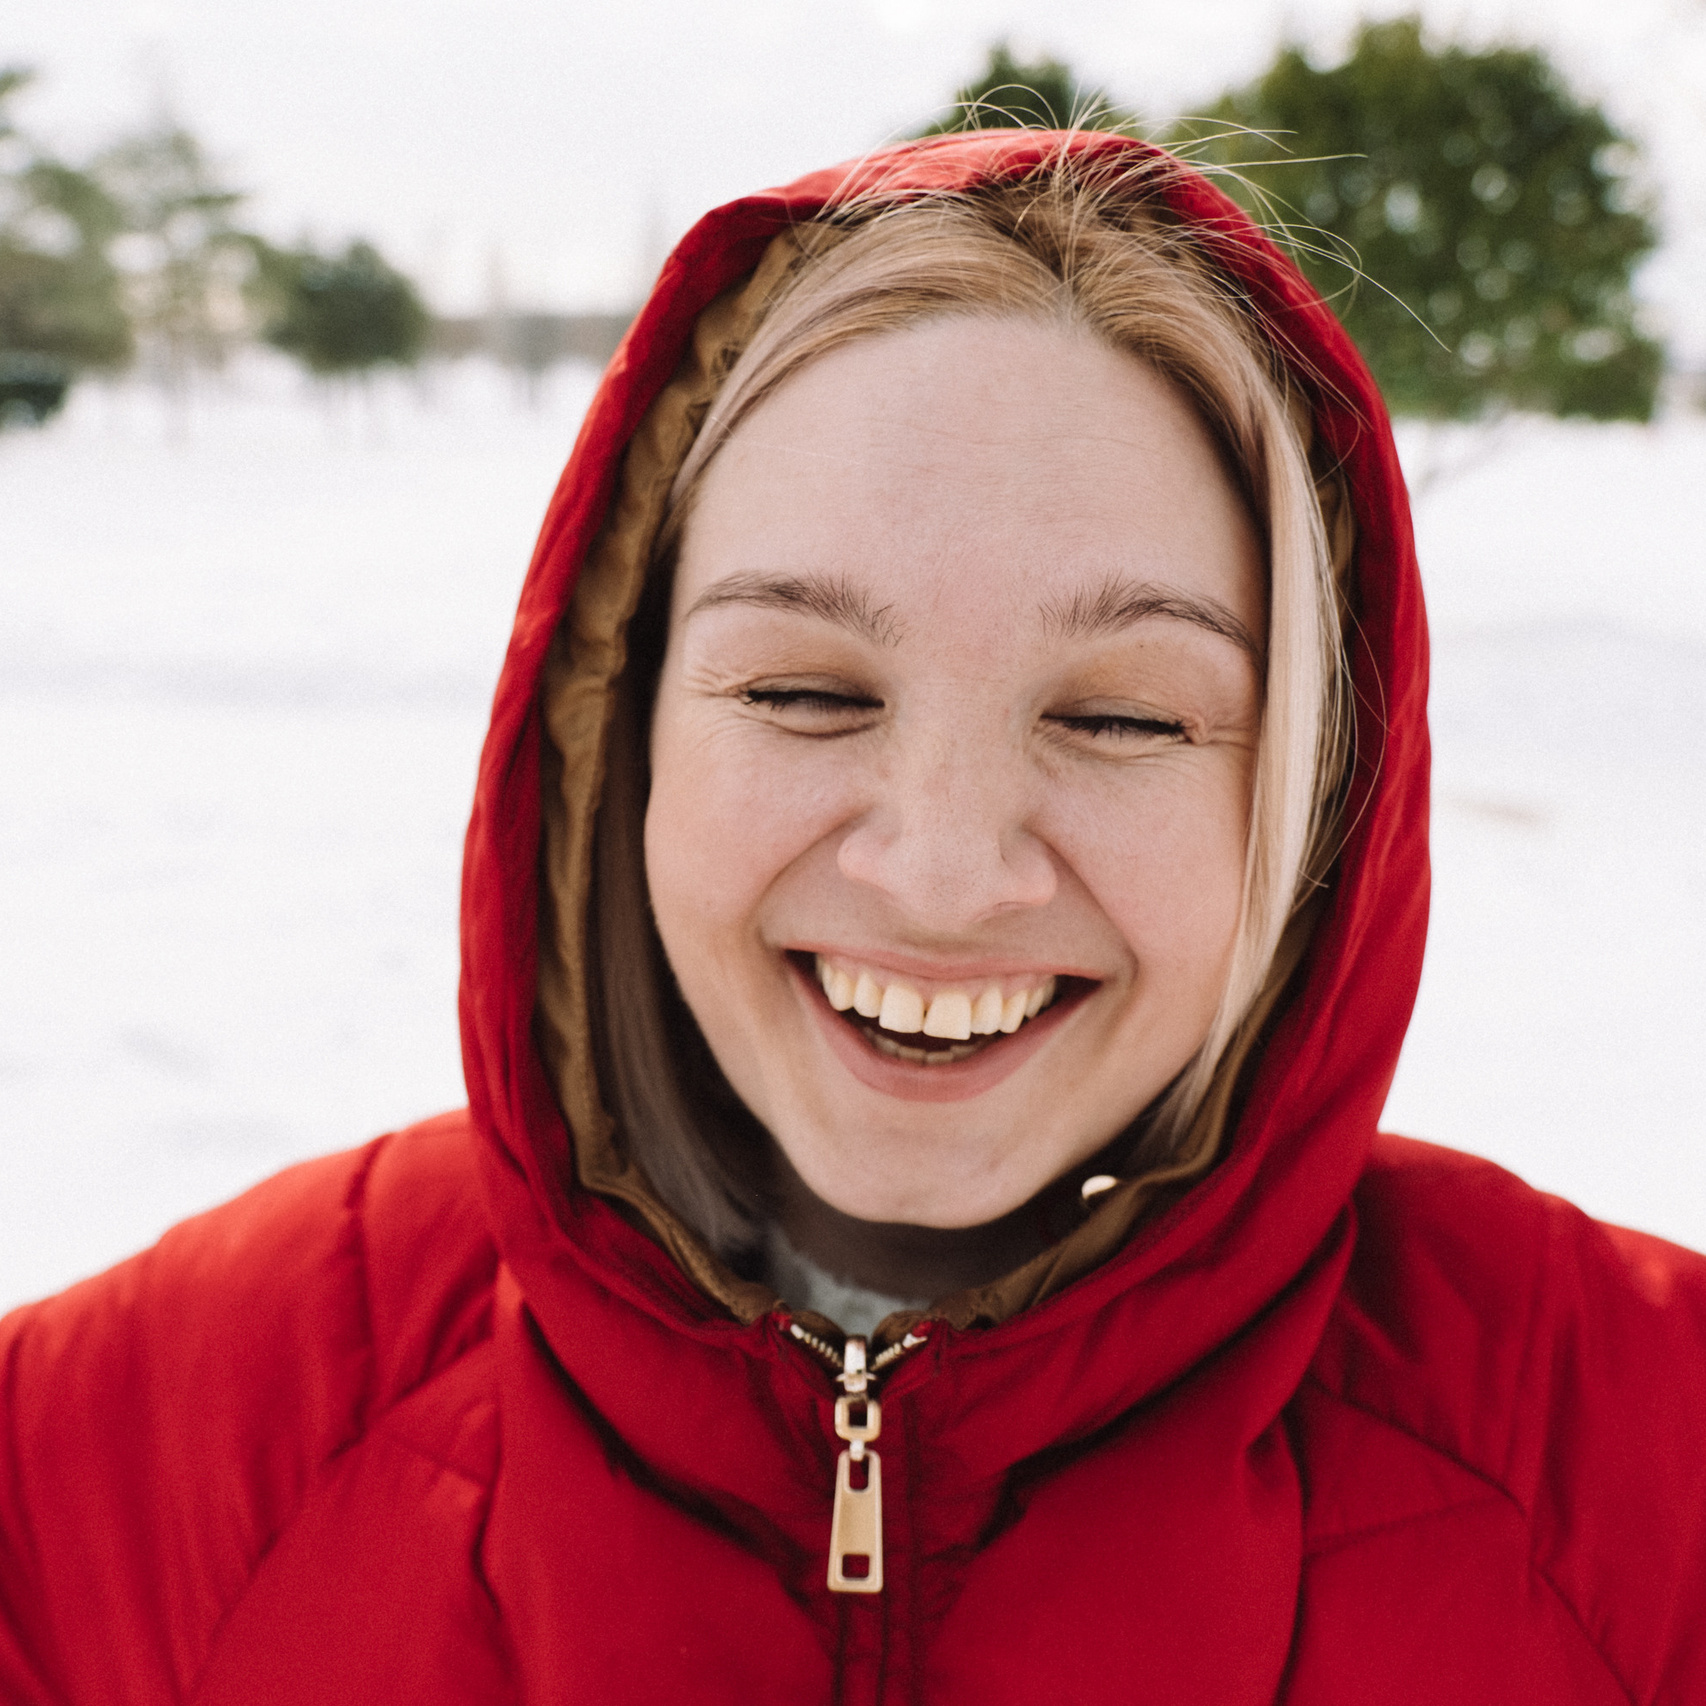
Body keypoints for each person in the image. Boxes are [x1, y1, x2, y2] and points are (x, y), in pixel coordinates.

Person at [2, 129, 1702, 1704]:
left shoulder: (1648, 1495)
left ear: (1313, 800)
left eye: (1121, 717)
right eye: (808, 688)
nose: (945, 871)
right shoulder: (125, 1468)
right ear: (619, 733)